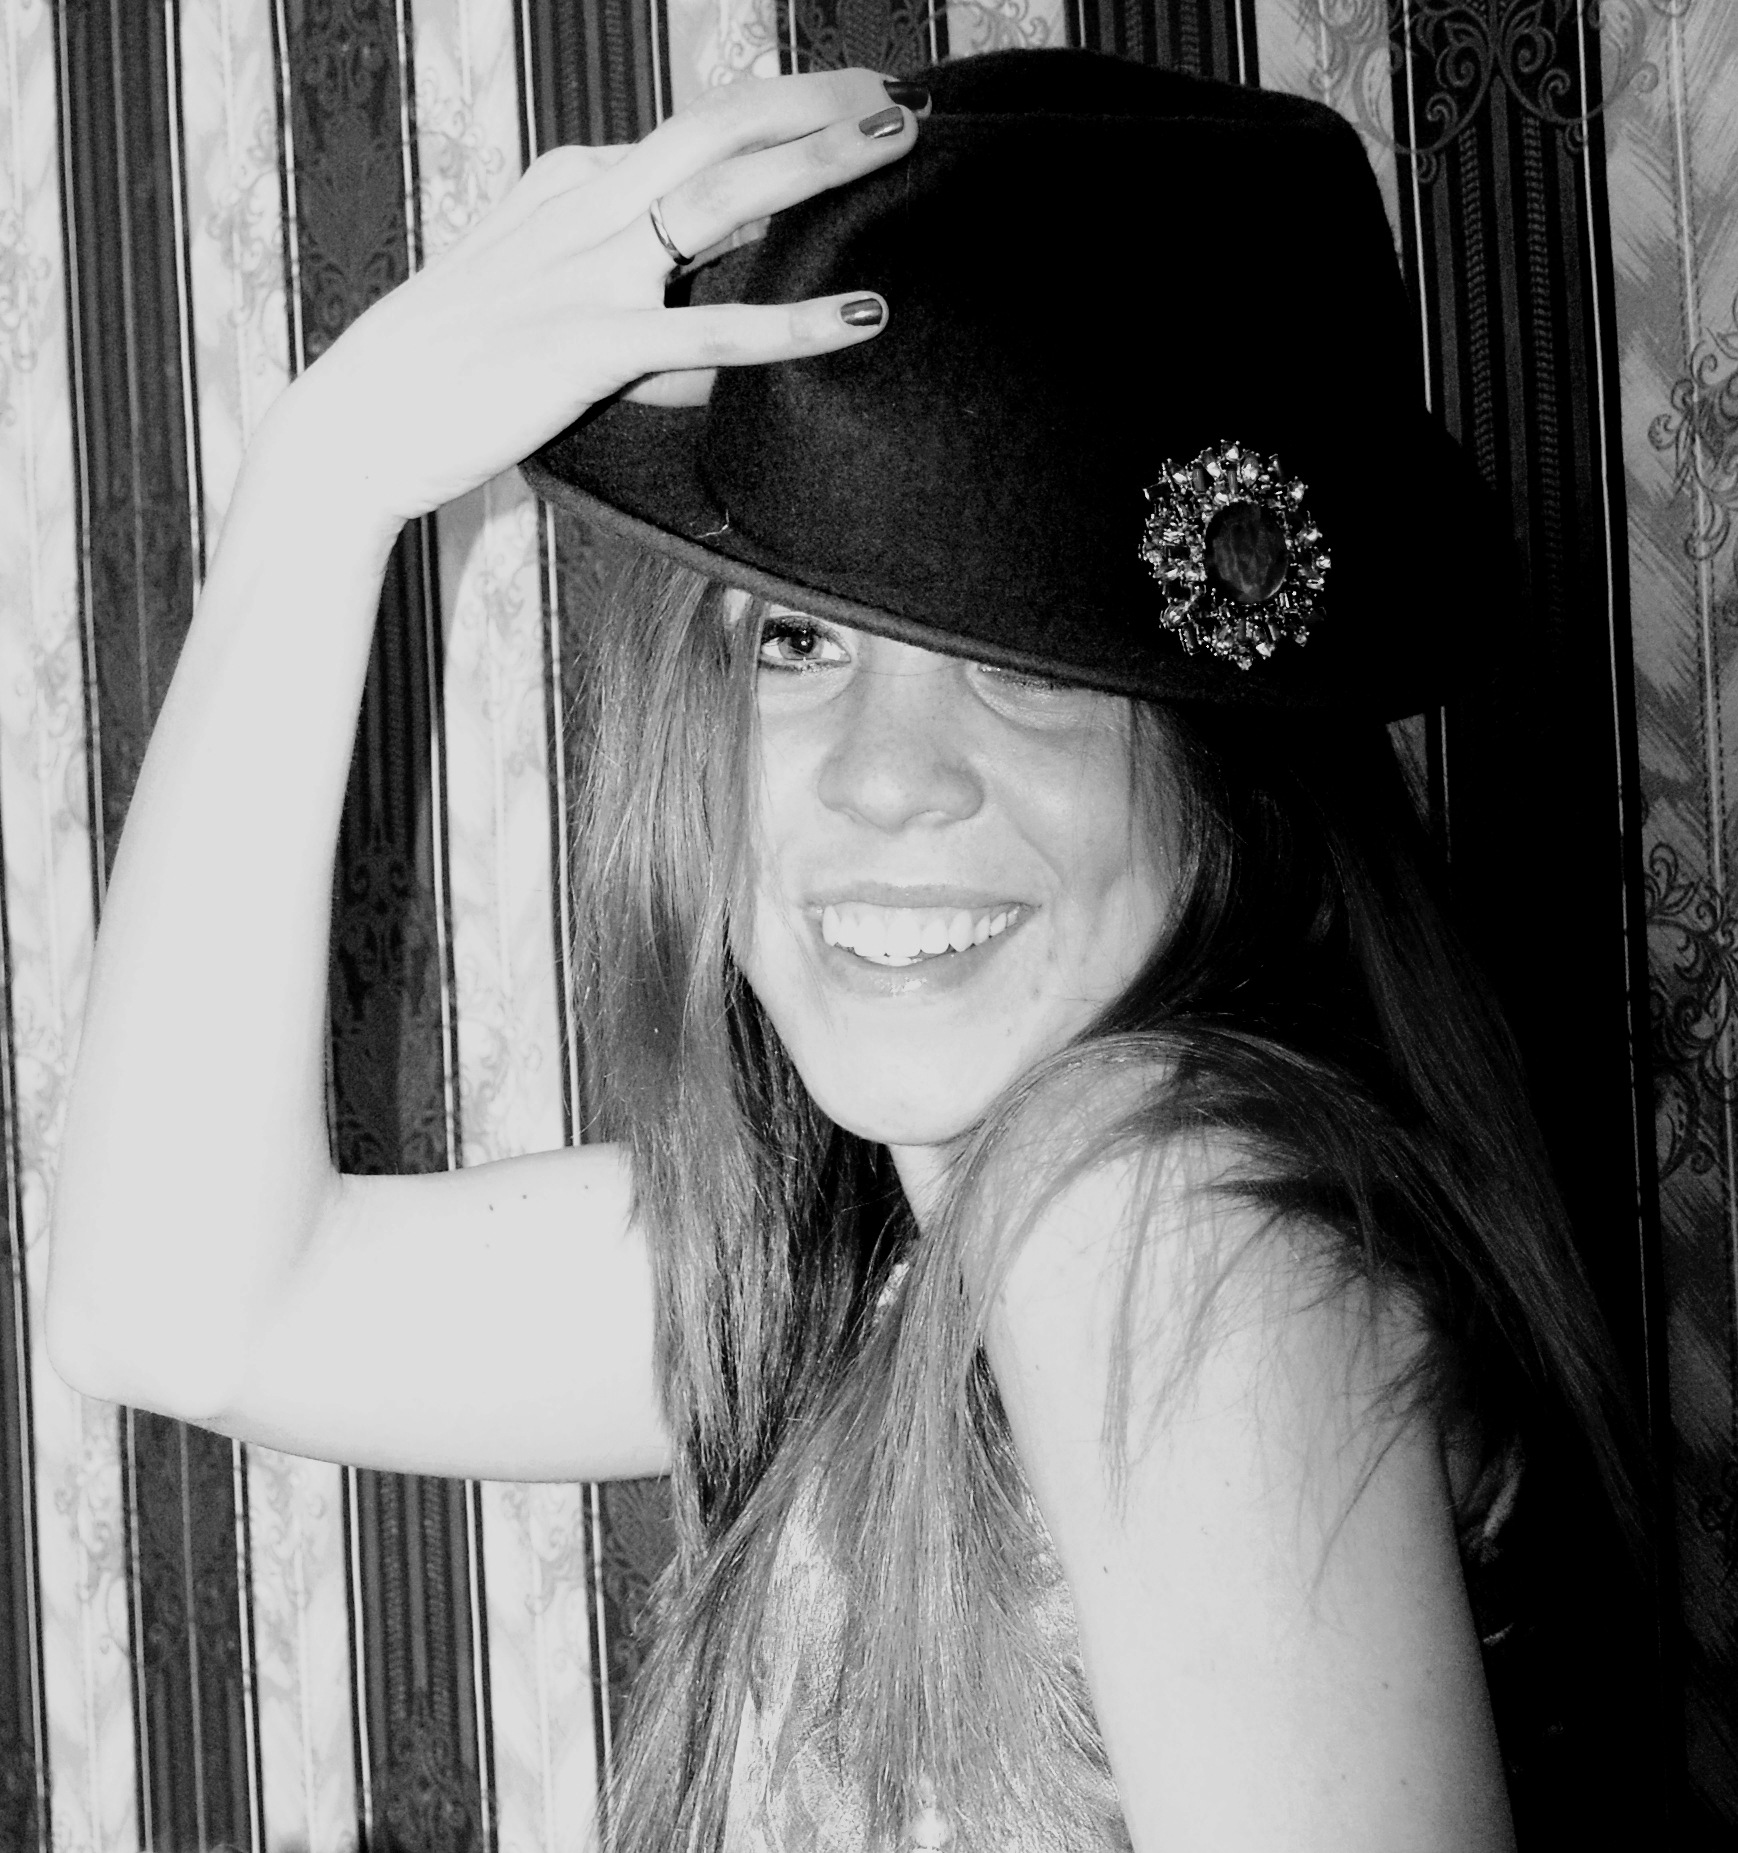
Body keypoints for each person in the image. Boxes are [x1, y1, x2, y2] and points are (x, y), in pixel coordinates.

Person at [47, 47, 1644, 1853]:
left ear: (1231, 769)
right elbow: (172, 1303)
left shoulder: (1149, 1215)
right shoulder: (882, 1253)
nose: (886, 778)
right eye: (797, 642)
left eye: (1026, 664)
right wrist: (324, 478)